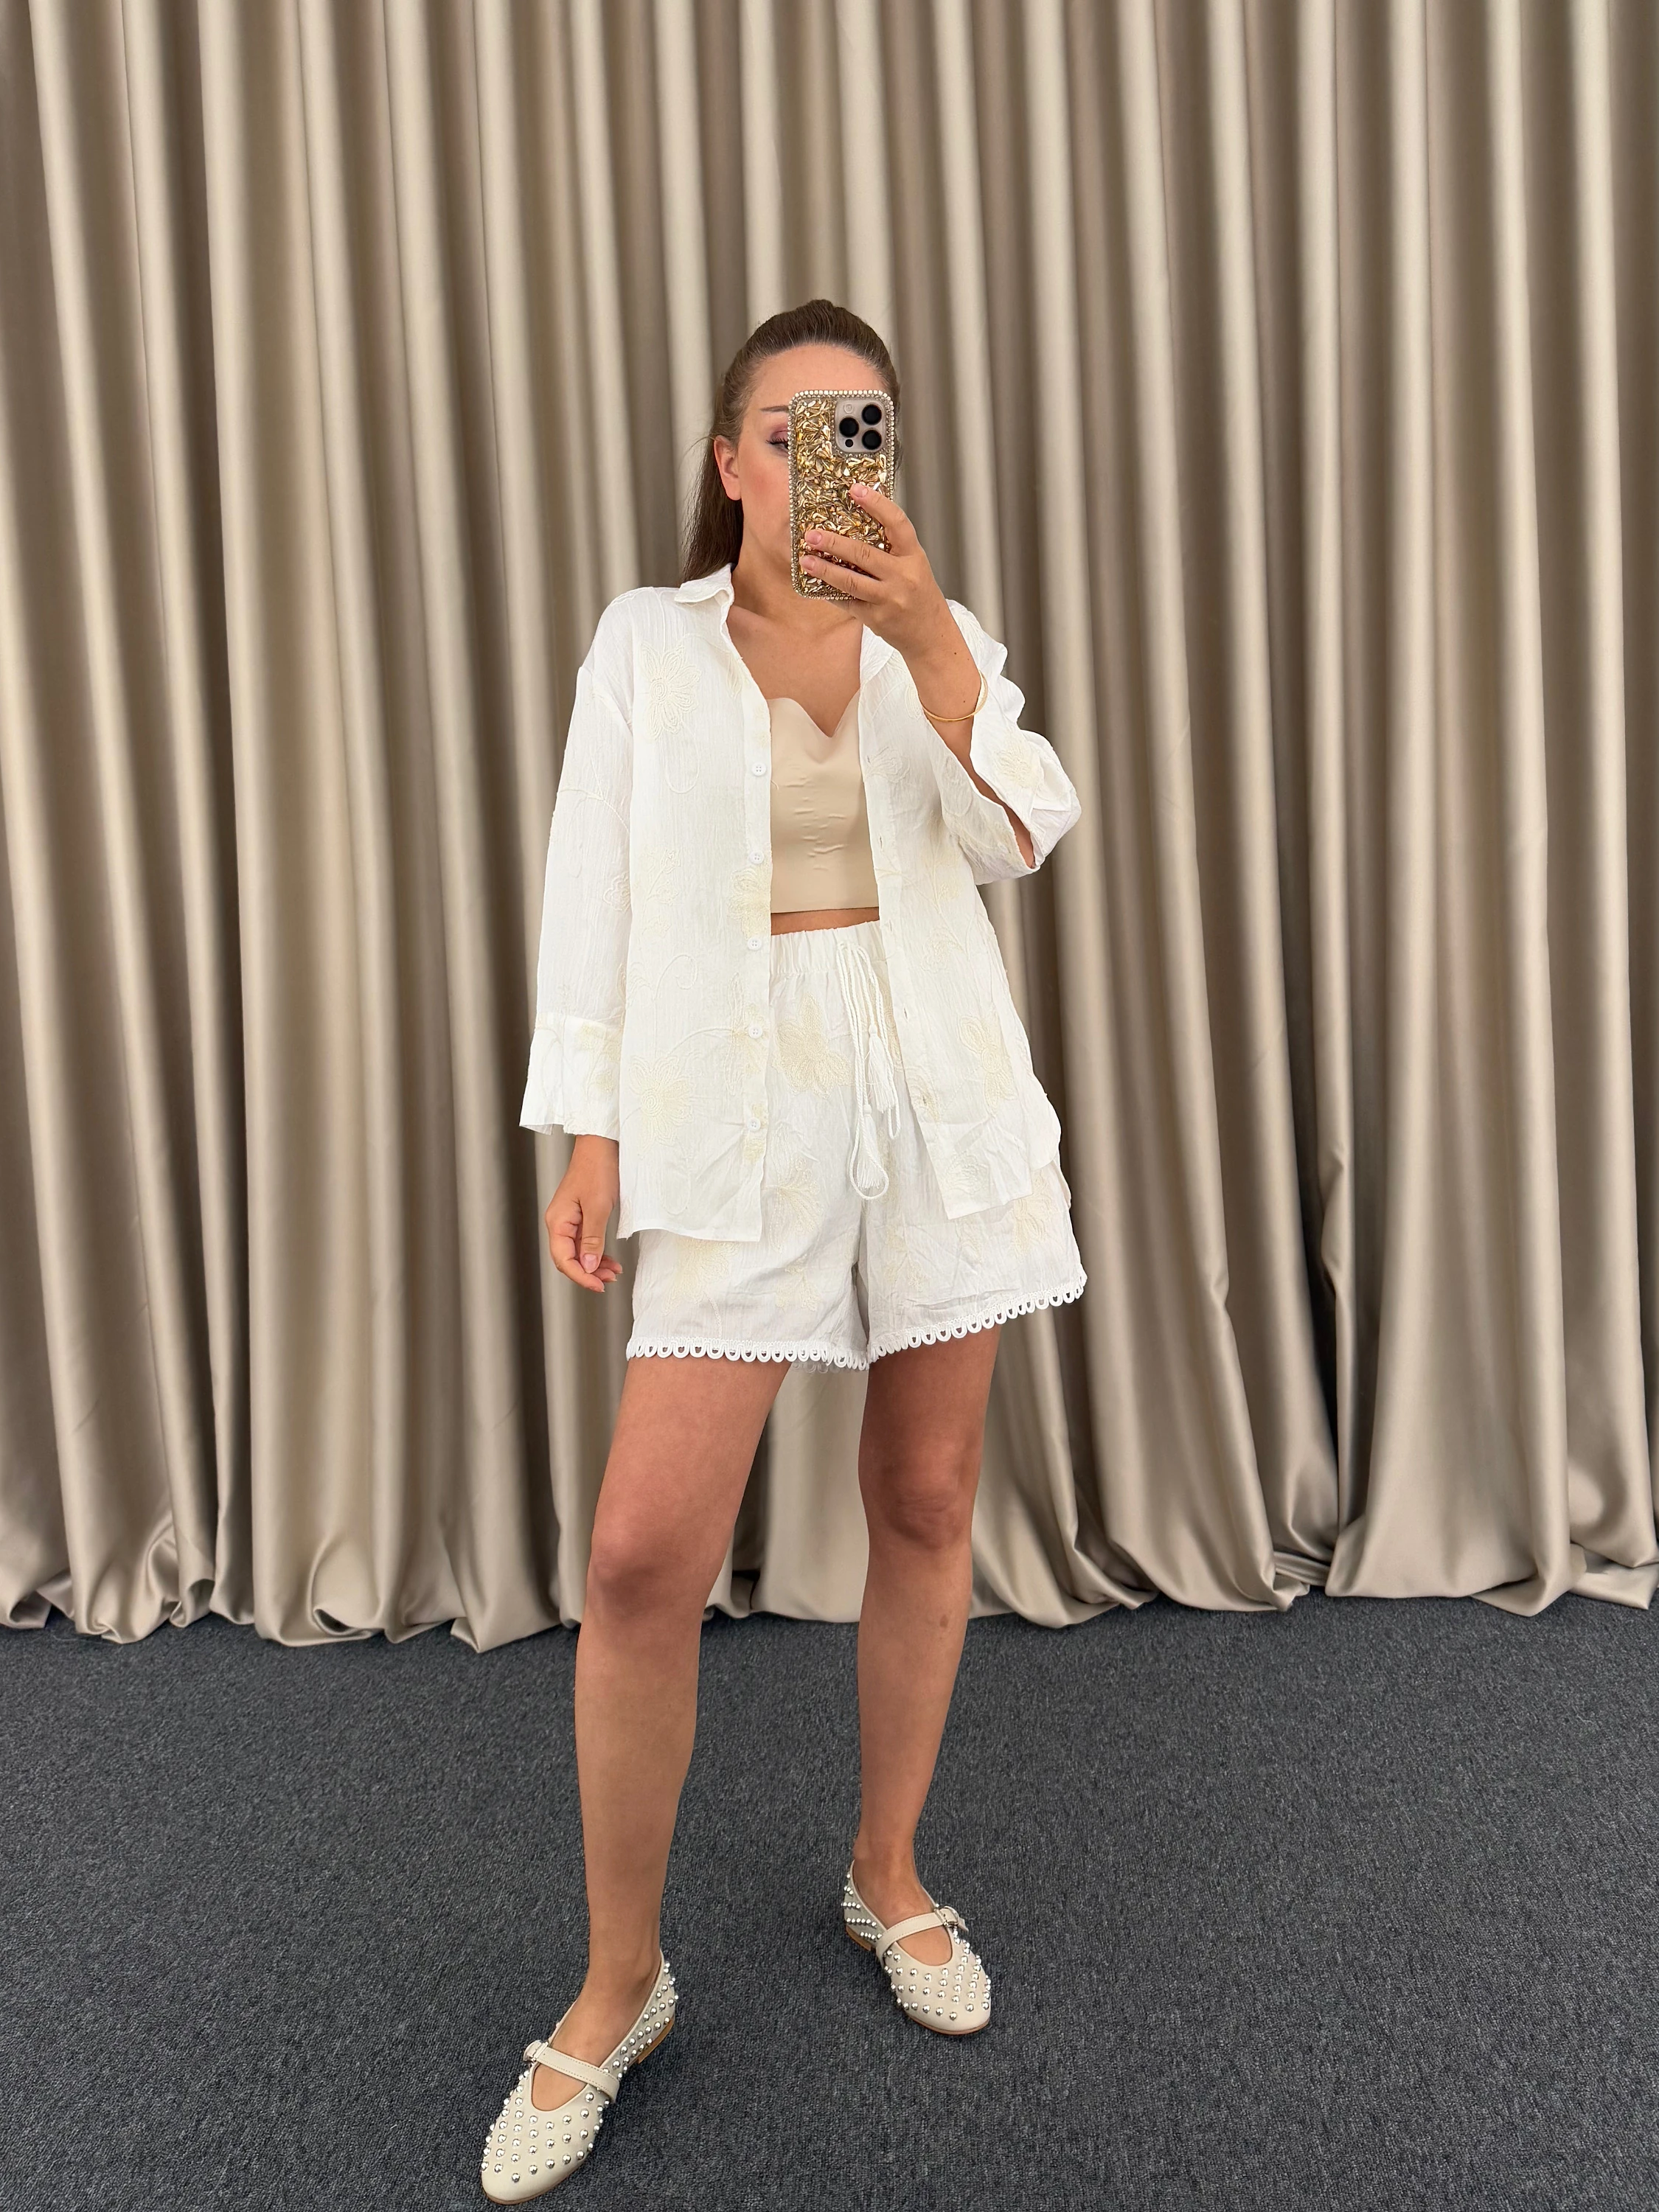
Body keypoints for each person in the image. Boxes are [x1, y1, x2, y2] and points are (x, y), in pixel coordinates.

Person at [480, 299, 1086, 2202]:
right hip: (730, 1106)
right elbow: (588, 893)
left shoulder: (938, 635)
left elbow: (1025, 834)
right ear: (731, 459)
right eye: (797, 425)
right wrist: (590, 1130)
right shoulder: (644, 648)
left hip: (933, 1092)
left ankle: (888, 1873)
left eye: (865, 425)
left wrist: (932, 642)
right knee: (640, 1557)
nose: (833, 453)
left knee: (926, 1496)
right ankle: (619, 1982)